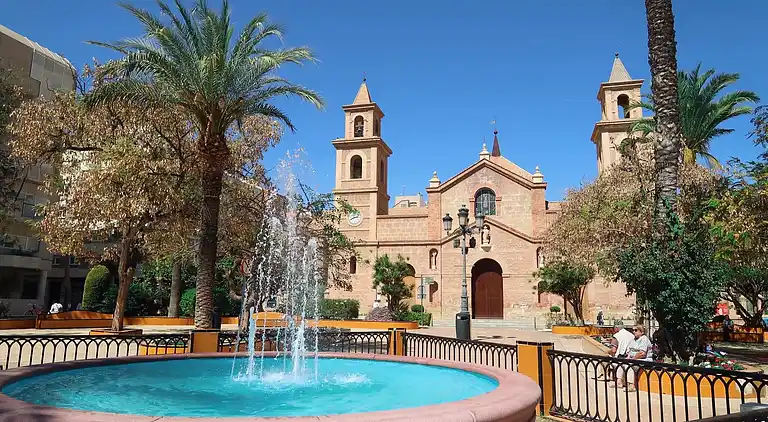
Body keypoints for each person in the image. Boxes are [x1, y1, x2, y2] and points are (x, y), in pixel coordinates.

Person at [616, 325, 653, 390]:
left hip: (644, 360)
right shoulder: (633, 340)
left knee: (630, 365)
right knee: (621, 363)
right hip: (635, 359)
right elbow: (629, 351)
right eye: (633, 330)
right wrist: (628, 358)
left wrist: (632, 359)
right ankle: (619, 382)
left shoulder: (644, 339)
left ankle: (631, 386)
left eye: (636, 330)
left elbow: (642, 354)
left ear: (641, 332)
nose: (633, 332)